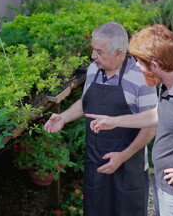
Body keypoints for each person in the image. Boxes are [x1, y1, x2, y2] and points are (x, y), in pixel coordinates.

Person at [86, 24, 173, 216]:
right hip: (166, 187)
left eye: (139, 61)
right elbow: (157, 114)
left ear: (154, 64)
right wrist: (115, 121)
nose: (136, 66)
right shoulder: (171, 85)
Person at [44, 22, 158, 216]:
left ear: (119, 53)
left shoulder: (141, 78)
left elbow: (151, 125)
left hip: (129, 168)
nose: (92, 56)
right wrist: (63, 117)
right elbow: (86, 102)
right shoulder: (93, 70)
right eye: (93, 50)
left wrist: (123, 156)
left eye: (99, 51)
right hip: (96, 166)